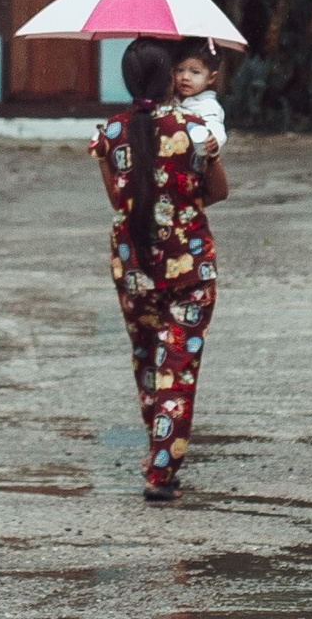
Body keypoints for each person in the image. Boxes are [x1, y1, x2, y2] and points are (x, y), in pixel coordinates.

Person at [89, 39, 218, 502]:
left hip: (133, 265)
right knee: (177, 367)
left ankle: (158, 453)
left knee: (147, 360)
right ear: (170, 80)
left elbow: (115, 200)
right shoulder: (194, 129)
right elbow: (217, 192)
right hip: (190, 268)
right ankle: (161, 472)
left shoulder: (110, 133)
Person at [171, 39, 227, 159]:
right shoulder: (171, 99)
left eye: (195, 72)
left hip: (193, 160)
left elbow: (215, 125)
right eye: (180, 70)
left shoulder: (208, 105)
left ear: (211, 78)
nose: (185, 77)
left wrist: (214, 139)